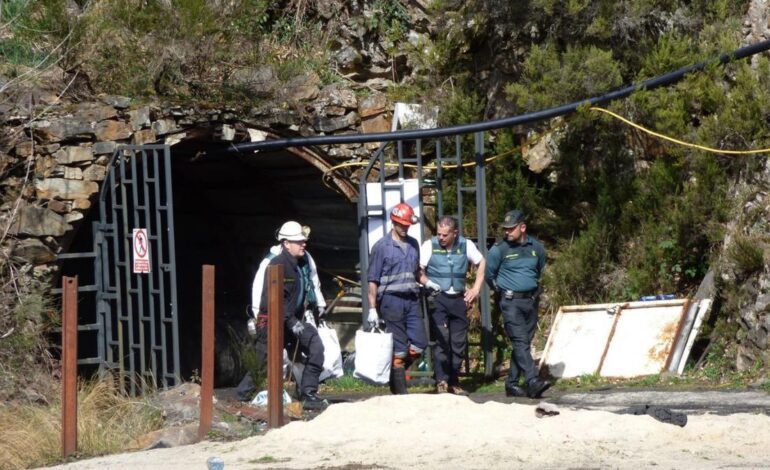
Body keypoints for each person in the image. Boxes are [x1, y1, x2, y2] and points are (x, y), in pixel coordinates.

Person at [235, 221, 327, 410]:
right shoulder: (276, 265)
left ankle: (308, 393)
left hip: (294, 321)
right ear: (286, 243)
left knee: (316, 346)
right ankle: (241, 398)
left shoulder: (303, 263)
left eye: (303, 240)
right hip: (271, 322)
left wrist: (317, 306)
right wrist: (292, 322)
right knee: (264, 362)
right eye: (298, 241)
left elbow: (310, 285)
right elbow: (273, 300)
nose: (303, 244)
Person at [485, 209, 551, 399]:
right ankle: (532, 380)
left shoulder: (536, 248)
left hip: (530, 300)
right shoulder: (499, 250)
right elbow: (490, 275)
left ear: (522, 227)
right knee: (520, 341)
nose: (507, 232)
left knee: (522, 343)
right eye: (505, 229)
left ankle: (512, 384)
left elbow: (540, 268)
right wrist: (502, 292)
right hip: (510, 302)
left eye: (511, 229)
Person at [418, 216, 486, 395]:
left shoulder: (465, 245)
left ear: (454, 233)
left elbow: (481, 262)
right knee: (442, 340)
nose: (441, 237)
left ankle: (453, 380)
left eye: (445, 235)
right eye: (439, 234)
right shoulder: (429, 245)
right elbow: (419, 270)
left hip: (458, 299)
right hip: (438, 298)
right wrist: (427, 283)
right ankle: (441, 381)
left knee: (458, 343)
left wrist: (475, 288)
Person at [367, 202, 427, 395]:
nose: (405, 228)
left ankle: (394, 371)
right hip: (391, 301)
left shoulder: (413, 244)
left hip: (411, 299)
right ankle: (400, 393)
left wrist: (429, 282)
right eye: (402, 224)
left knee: (419, 344)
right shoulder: (381, 247)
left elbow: (417, 272)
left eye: (407, 225)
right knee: (400, 349)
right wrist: (372, 308)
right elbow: (372, 280)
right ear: (393, 222)